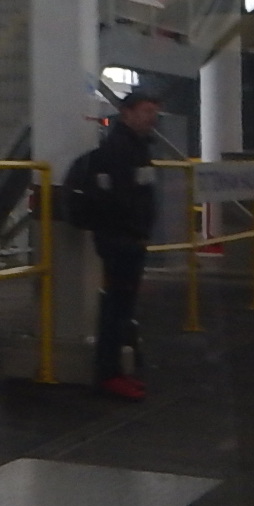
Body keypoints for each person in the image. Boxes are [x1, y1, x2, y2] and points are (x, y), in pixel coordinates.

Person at [86, 87, 161, 400]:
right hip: (121, 239)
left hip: (127, 237)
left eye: (153, 112)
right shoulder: (120, 149)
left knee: (121, 307)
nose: (151, 118)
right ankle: (108, 374)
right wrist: (134, 231)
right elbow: (121, 198)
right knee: (116, 309)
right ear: (127, 113)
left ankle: (114, 371)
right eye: (146, 112)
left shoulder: (136, 146)